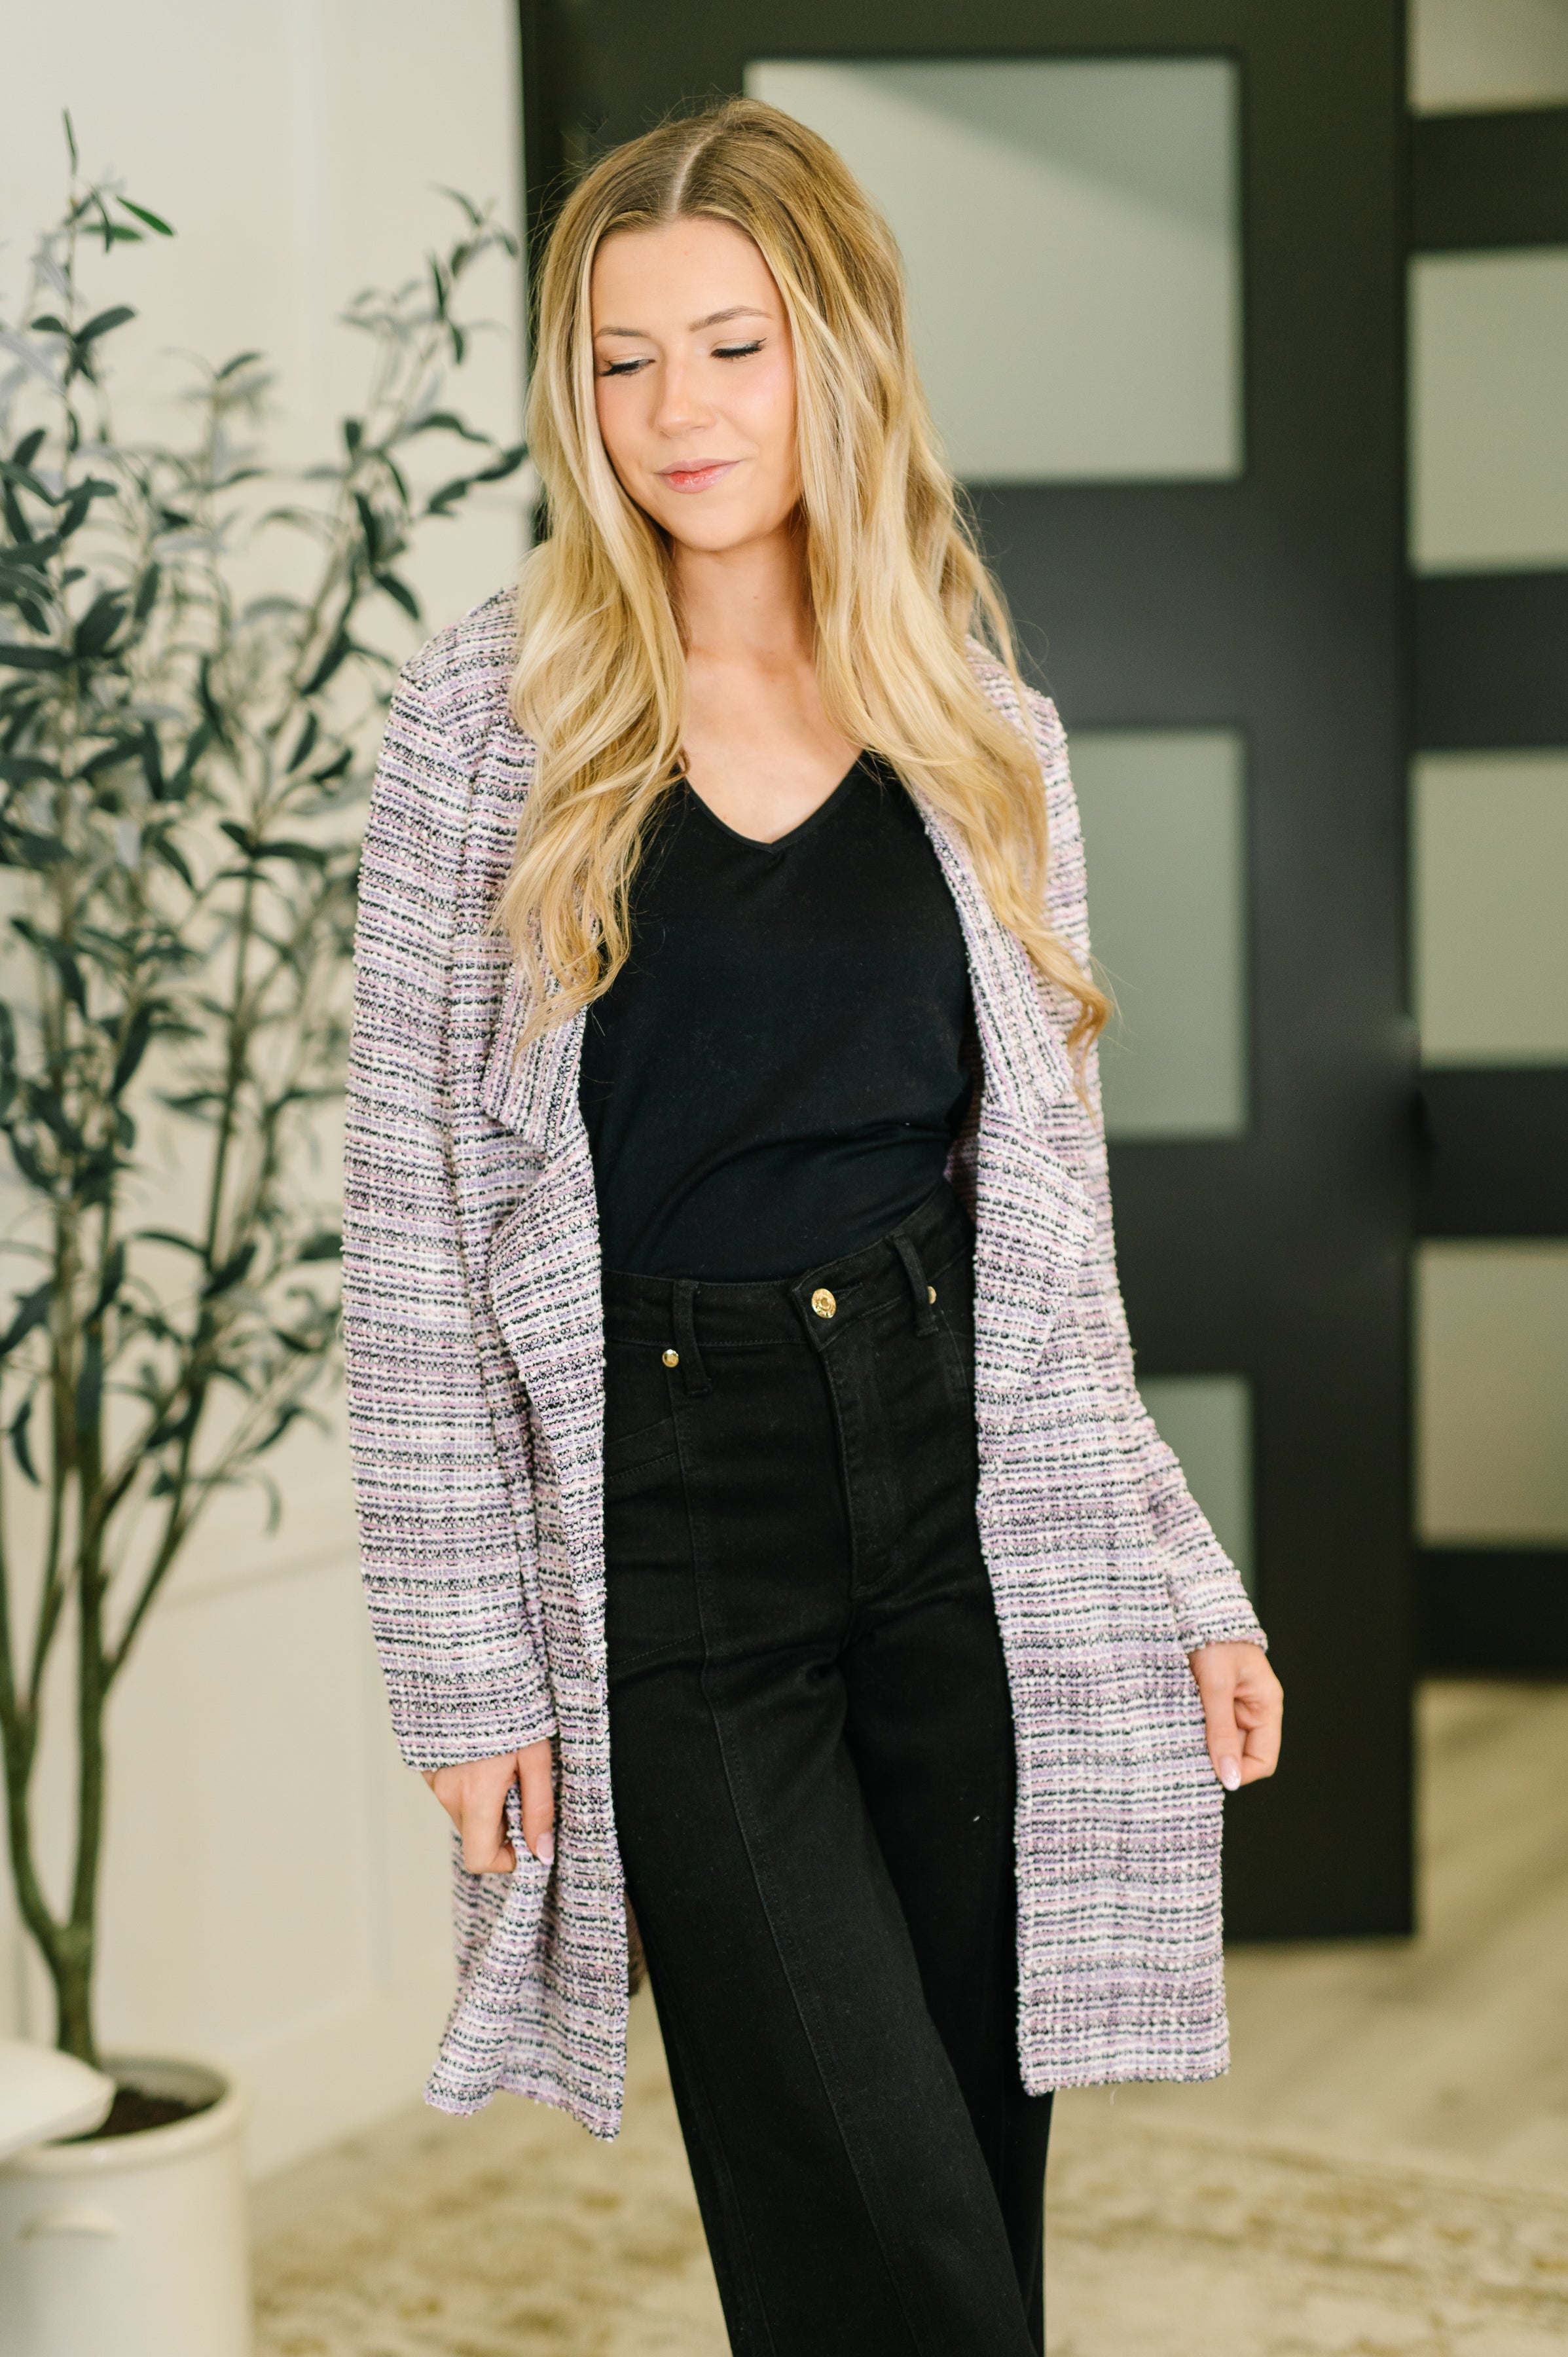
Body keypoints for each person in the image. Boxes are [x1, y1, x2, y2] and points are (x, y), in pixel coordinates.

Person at [342, 96, 1283, 2357]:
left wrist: (1178, 1569)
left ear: (837, 355)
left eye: (730, 347)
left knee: (963, 2182)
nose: (674, 411)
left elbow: (1055, 1237)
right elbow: (407, 1233)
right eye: (620, 359)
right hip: (675, 1524)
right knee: (874, 2219)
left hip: (965, 1509)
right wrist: (463, 1673)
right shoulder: (491, 719)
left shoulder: (980, 733)